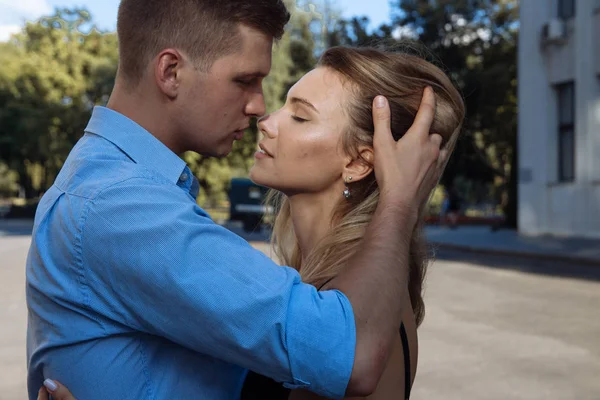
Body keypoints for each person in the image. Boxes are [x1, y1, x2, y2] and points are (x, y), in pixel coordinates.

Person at [26, 1, 446, 399]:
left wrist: (399, 199)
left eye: (299, 115)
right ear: (171, 72)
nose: (261, 110)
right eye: (244, 80)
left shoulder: (110, 190)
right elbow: (348, 352)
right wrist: (399, 200)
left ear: (359, 161)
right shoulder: (122, 206)